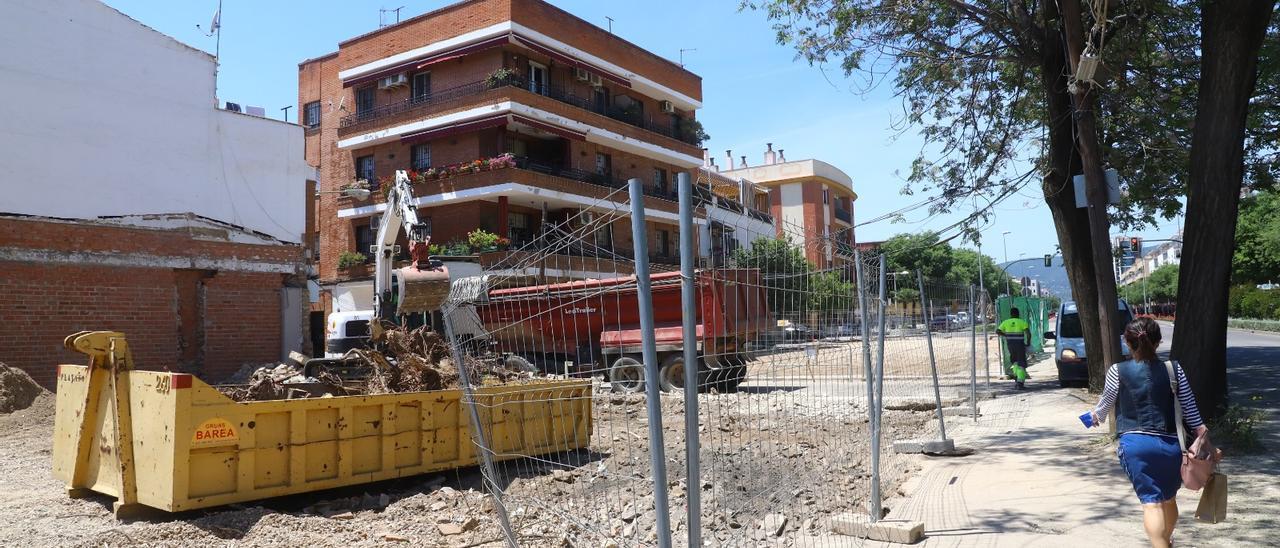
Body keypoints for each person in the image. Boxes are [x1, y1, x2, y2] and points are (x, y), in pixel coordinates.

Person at [1086, 317, 1208, 548]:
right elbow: (1191, 410)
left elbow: (1105, 404)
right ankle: (1167, 542)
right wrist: (1203, 436)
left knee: (1151, 503)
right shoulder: (1173, 369)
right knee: (1169, 498)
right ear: (1158, 342)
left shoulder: (1117, 370)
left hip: (1136, 445)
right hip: (1172, 445)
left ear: (1127, 342)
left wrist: (1095, 417)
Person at [996, 307, 1032, 388]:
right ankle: (1020, 383)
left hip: (1010, 346)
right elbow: (1028, 334)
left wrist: (1006, 335)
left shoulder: (1005, 322)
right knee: (1021, 363)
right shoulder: (1022, 322)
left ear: (1011, 314)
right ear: (1018, 314)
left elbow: (997, 331)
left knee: (1015, 362)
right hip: (1020, 346)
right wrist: (1028, 343)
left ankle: (1016, 379)